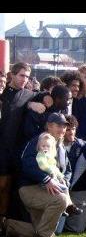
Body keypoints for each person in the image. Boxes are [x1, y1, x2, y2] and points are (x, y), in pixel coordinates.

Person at [1, 113, 72, 237]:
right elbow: (27, 164)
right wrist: (47, 179)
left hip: (45, 188)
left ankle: (8, 225)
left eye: (65, 126)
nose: (63, 129)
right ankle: (45, 235)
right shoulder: (40, 140)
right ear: (49, 126)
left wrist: (64, 181)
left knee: (40, 230)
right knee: (61, 200)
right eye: (59, 125)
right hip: (30, 188)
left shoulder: (60, 146)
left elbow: (67, 169)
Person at [0, 62, 36, 218]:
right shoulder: (2, 93)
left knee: (12, 186)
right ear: (12, 75)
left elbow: (47, 96)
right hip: (1, 148)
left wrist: (37, 102)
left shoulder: (30, 94)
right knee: (2, 185)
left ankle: (5, 220)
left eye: (27, 76)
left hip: (18, 150)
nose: (24, 79)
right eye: (21, 75)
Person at [35, 132, 82, 216]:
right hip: (45, 181)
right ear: (39, 146)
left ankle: (67, 207)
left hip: (54, 179)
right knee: (60, 191)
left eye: (48, 146)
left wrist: (61, 177)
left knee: (64, 188)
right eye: (43, 146)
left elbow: (56, 169)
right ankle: (68, 207)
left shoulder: (51, 157)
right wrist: (51, 172)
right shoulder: (41, 155)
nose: (45, 148)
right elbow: (42, 165)